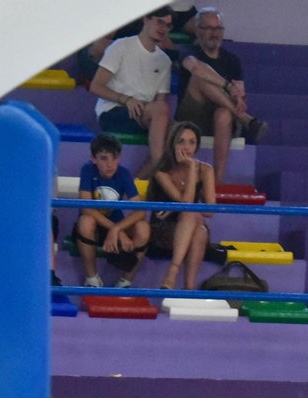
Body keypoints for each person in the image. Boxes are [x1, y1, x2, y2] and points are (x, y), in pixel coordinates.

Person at [170, 8, 267, 183]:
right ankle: (246, 119)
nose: (214, 34)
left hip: (222, 118)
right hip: (191, 117)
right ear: (198, 31)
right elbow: (195, 68)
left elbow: (240, 92)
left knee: (224, 114)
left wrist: (239, 98)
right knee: (199, 78)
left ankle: (216, 183)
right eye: (208, 28)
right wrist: (227, 86)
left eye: (218, 29)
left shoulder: (232, 60)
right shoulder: (188, 52)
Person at [89, 6, 174, 178]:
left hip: (144, 114)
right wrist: (126, 99)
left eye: (167, 25)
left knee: (176, 134)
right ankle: (162, 173)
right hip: (113, 111)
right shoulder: (121, 46)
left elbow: (160, 102)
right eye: (159, 22)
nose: (163, 28)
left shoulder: (164, 61)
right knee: (162, 114)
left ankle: (134, 186)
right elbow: (95, 86)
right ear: (146, 19)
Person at [73, 133, 150, 289]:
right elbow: (86, 208)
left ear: (119, 158)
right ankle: (92, 279)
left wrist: (117, 228)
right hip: (93, 229)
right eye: (104, 158)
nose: (110, 164)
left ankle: (125, 282)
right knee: (86, 222)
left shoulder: (124, 173)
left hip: (115, 226)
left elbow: (141, 211)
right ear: (93, 159)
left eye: (114, 158)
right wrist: (115, 230)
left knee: (143, 227)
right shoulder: (87, 170)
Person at [146, 121, 215, 292]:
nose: (187, 147)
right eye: (181, 141)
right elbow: (185, 204)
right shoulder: (162, 170)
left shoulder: (205, 170)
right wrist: (192, 169)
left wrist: (192, 167)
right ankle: (180, 279)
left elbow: (210, 211)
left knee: (199, 228)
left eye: (192, 142)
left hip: (191, 226)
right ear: (173, 143)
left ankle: (182, 284)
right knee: (192, 217)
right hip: (163, 227)